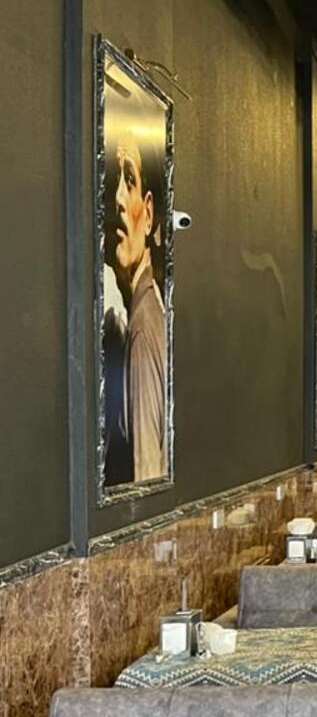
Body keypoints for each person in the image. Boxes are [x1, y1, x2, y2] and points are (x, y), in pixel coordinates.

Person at [106, 135, 169, 483]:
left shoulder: (142, 327)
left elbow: (147, 477)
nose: (117, 198)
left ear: (148, 213)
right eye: (114, 181)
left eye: (129, 180)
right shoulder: (153, 306)